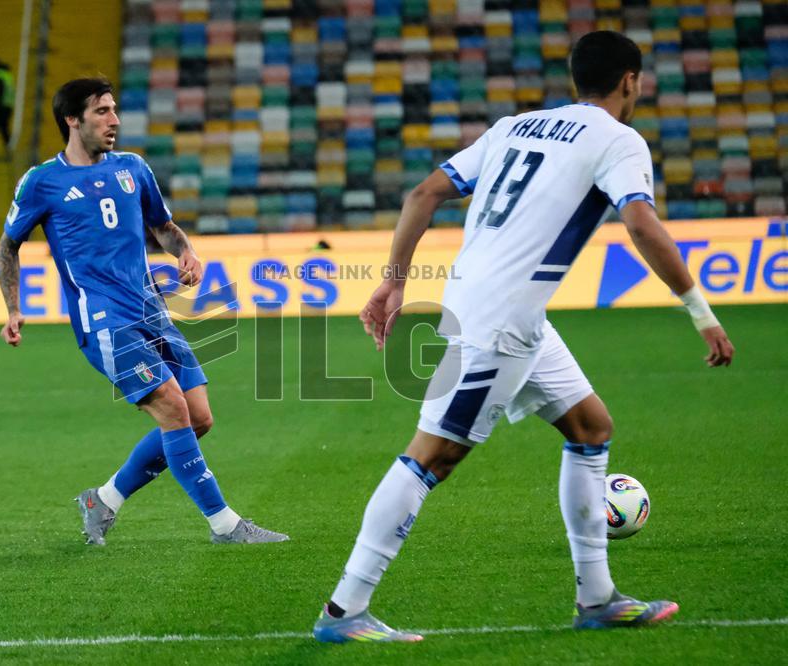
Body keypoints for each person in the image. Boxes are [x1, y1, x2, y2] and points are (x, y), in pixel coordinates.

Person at [312, 30, 735, 643]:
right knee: (432, 456)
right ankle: (345, 610)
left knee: (591, 429)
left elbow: (424, 193)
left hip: (506, 311)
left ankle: (598, 598)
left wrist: (393, 284)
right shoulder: (619, 140)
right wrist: (701, 311)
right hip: (499, 323)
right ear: (630, 82)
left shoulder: (516, 125)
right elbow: (641, 224)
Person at [0, 77, 288, 546]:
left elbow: (165, 227)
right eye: (102, 112)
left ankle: (104, 500)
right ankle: (226, 525)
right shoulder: (42, 182)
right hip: (105, 321)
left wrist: (185, 252)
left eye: (114, 110)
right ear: (72, 119)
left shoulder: (133, 168)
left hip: (151, 310)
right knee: (173, 409)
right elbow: (9, 246)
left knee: (199, 418)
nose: (114, 120)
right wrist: (13, 307)